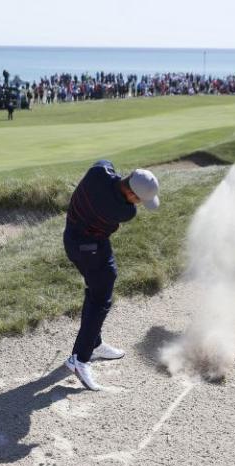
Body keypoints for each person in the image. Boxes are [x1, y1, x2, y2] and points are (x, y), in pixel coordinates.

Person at [62, 161, 159, 390]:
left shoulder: (98, 172)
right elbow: (120, 205)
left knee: (95, 291)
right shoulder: (125, 211)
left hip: (72, 238)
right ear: (132, 194)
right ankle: (80, 358)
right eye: (140, 200)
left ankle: (94, 343)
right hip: (90, 249)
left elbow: (107, 165)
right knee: (100, 298)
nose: (139, 205)